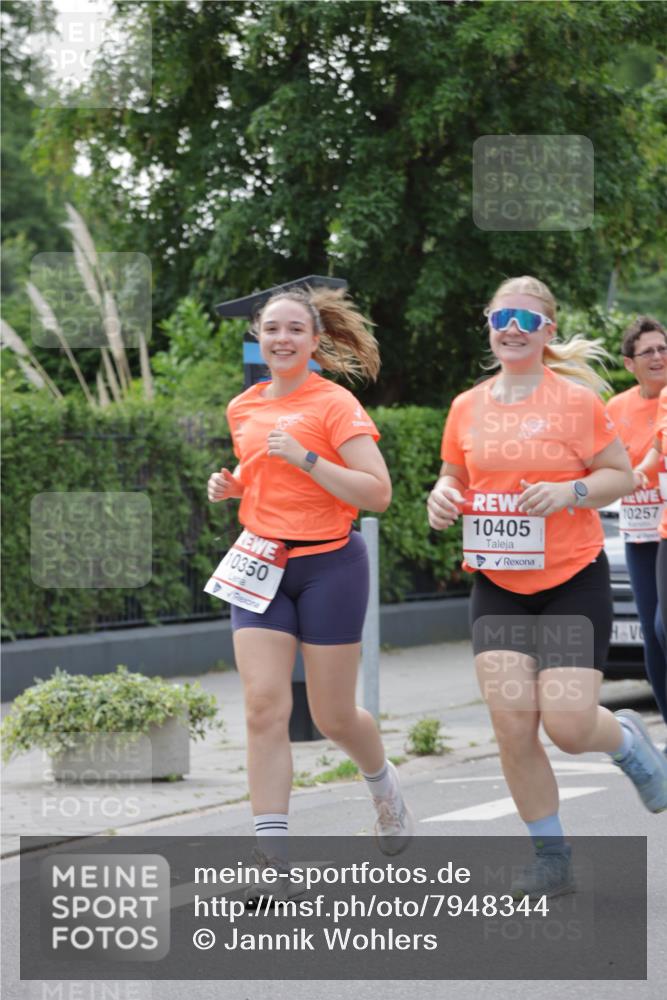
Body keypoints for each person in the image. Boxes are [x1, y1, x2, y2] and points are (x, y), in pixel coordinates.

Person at [427, 275, 667, 900]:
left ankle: (626, 740)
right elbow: (452, 477)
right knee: (511, 724)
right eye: (502, 315)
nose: (512, 327)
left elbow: (619, 475)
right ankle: (551, 857)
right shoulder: (466, 406)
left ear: (547, 332)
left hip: (571, 578)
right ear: (488, 323)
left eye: (527, 320)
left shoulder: (577, 404)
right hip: (499, 584)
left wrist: (571, 492)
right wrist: (441, 498)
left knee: (566, 724)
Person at [207, 284, 413, 898]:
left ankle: (384, 788)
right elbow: (263, 475)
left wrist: (306, 459)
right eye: (272, 329)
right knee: (263, 707)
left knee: (333, 716)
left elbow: (377, 494)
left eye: (295, 329)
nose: (282, 339)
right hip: (262, 564)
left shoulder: (335, 406)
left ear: (315, 341)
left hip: (331, 566)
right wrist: (235, 486)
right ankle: (274, 866)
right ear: (258, 337)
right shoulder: (243, 407)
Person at [606, 318, 667, 728]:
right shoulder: (617, 408)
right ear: (629, 364)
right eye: (649, 351)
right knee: (652, 630)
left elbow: (652, 458)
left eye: (664, 349)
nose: (659, 357)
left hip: (663, 526)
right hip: (637, 528)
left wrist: (639, 475)